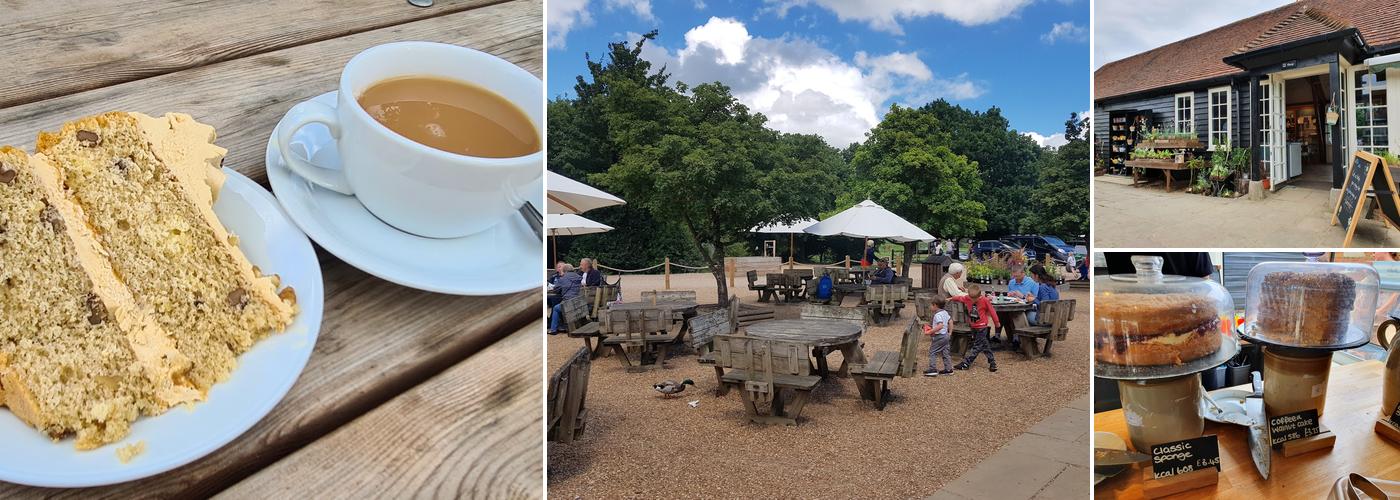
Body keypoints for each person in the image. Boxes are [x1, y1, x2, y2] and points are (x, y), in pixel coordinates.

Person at [952, 283, 1001, 372]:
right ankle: (992, 362)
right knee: (984, 344)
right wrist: (952, 298)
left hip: (982, 327)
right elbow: (960, 298)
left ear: (979, 296)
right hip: (973, 326)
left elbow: (992, 311)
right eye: (971, 298)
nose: (973, 300)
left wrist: (996, 323)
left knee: (977, 346)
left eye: (975, 299)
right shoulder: (968, 298)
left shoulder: (985, 300)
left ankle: (966, 363)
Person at [923, 296, 953, 377]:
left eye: (931, 305)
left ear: (935, 305)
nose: (930, 307)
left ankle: (932, 369)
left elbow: (940, 326)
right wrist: (950, 333)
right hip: (946, 335)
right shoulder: (945, 313)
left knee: (932, 352)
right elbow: (950, 322)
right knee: (945, 352)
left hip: (939, 336)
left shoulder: (937, 315)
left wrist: (929, 332)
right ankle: (948, 369)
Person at [548, 264, 582, 334]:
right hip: (578, 302)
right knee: (560, 305)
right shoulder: (579, 277)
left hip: (569, 303)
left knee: (556, 308)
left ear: (564, 270)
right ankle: (561, 325)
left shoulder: (563, 278)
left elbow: (556, 289)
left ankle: (553, 329)